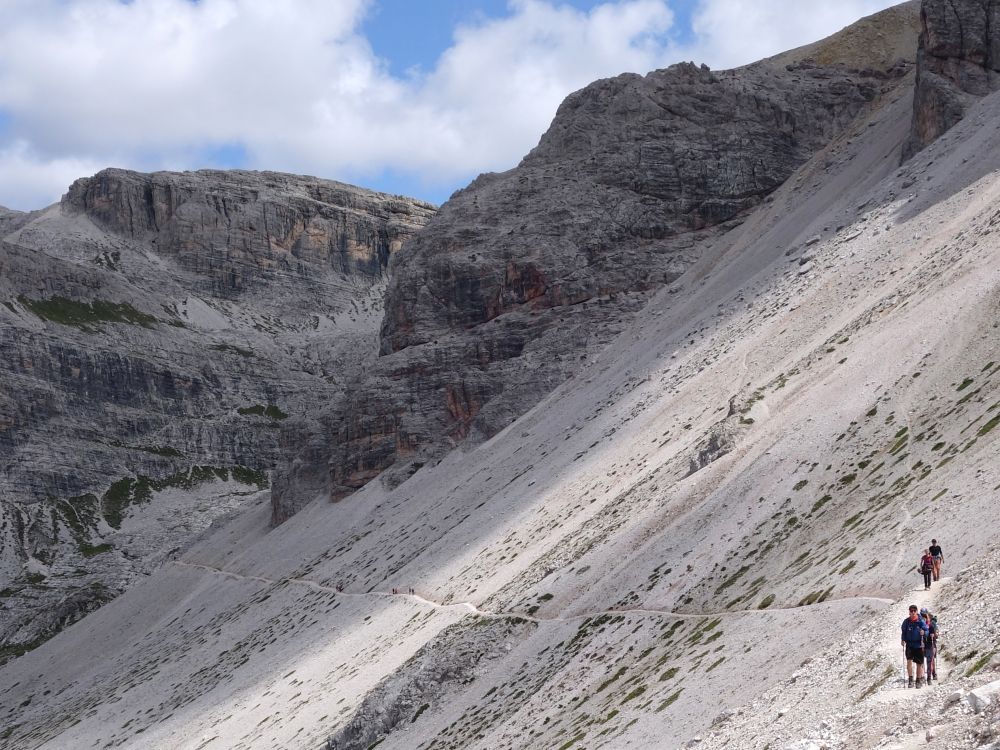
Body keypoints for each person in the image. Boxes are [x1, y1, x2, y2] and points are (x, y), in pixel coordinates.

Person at [901, 603, 929, 687]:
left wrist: (924, 633)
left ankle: (918, 680)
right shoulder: (906, 622)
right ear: (909, 612)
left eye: (914, 611)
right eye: (911, 611)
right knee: (909, 661)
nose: (913, 612)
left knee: (919, 663)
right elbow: (904, 632)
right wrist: (902, 639)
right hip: (909, 644)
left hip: (919, 645)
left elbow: (926, 631)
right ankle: (910, 679)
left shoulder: (920, 621)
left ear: (917, 612)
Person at [921, 608, 938, 682]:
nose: (923, 616)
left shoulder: (932, 623)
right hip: (923, 643)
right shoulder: (920, 623)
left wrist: (934, 635)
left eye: (924, 614)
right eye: (922, 614)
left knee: (931, 659)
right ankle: (923, 676)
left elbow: (937, 634)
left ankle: (933, 674)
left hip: (931, 643)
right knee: (922, 660)